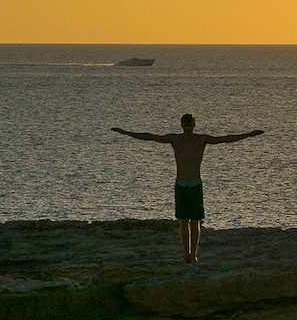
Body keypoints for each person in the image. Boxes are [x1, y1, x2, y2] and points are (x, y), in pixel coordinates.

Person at [111, 114, 264, 266]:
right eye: (185, 125)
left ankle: (194, 254)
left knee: (195, 222)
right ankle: (186, 255)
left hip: (195, 184)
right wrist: (126, 132)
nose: (188, 128)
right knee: (183, 222)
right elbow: (150, 137)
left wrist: (248, 135)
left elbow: (225, 139)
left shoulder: (201, 139)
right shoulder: (175, 139)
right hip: (181, 184)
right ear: (182, 125)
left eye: (190, 125)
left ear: (194, 125)